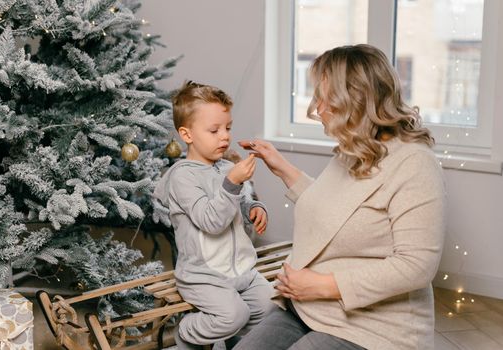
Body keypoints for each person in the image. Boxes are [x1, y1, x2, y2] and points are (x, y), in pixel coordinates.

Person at [234, 44, 446, 350]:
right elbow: (335, 212)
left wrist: (324, 286)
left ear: (356, 100)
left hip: (377, 328)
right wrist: (281, 167)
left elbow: (417, 265)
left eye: (324, 98)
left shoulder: (415, 163)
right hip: (308, 307)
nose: (316, 108)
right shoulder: (355, 149)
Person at [153, 81, 274, 349]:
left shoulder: (225, 167)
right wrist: (232, 182)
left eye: (228, 128)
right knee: (235, 314)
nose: (225, 136)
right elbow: (211, 221)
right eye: (214, 130)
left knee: (272, 308)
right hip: (203, 275)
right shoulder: (182, 177)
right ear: (187, 135)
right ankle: (185, 334)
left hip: (241, 269)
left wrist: (254, 208)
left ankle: (225, 338)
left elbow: (241, 202)